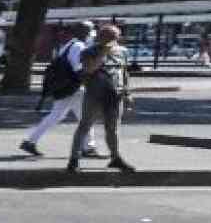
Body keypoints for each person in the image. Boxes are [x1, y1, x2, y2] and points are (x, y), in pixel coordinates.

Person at [20, 22, 98, 158]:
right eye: (90, 32)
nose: (91, 36)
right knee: (86, 117)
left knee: (57, 116)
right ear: (84, 33)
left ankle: (30, 141)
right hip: (75, 88)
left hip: (66, 88)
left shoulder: (69, 45)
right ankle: (88, 148)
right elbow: (79, 69)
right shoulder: (79, 46)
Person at [69, 24, 136, 173]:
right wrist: (103, 53)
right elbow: (89, 69)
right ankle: (73, 160)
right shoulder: (89, 51)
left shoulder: (123, 51)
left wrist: (127, 93)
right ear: (100, 37)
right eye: (108, 37)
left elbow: (124, 73)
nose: (112, 40)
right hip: (95, 94)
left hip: (115, 95)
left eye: (115, 37)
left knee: (113, 129)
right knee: (85, 126)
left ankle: (115, 158)